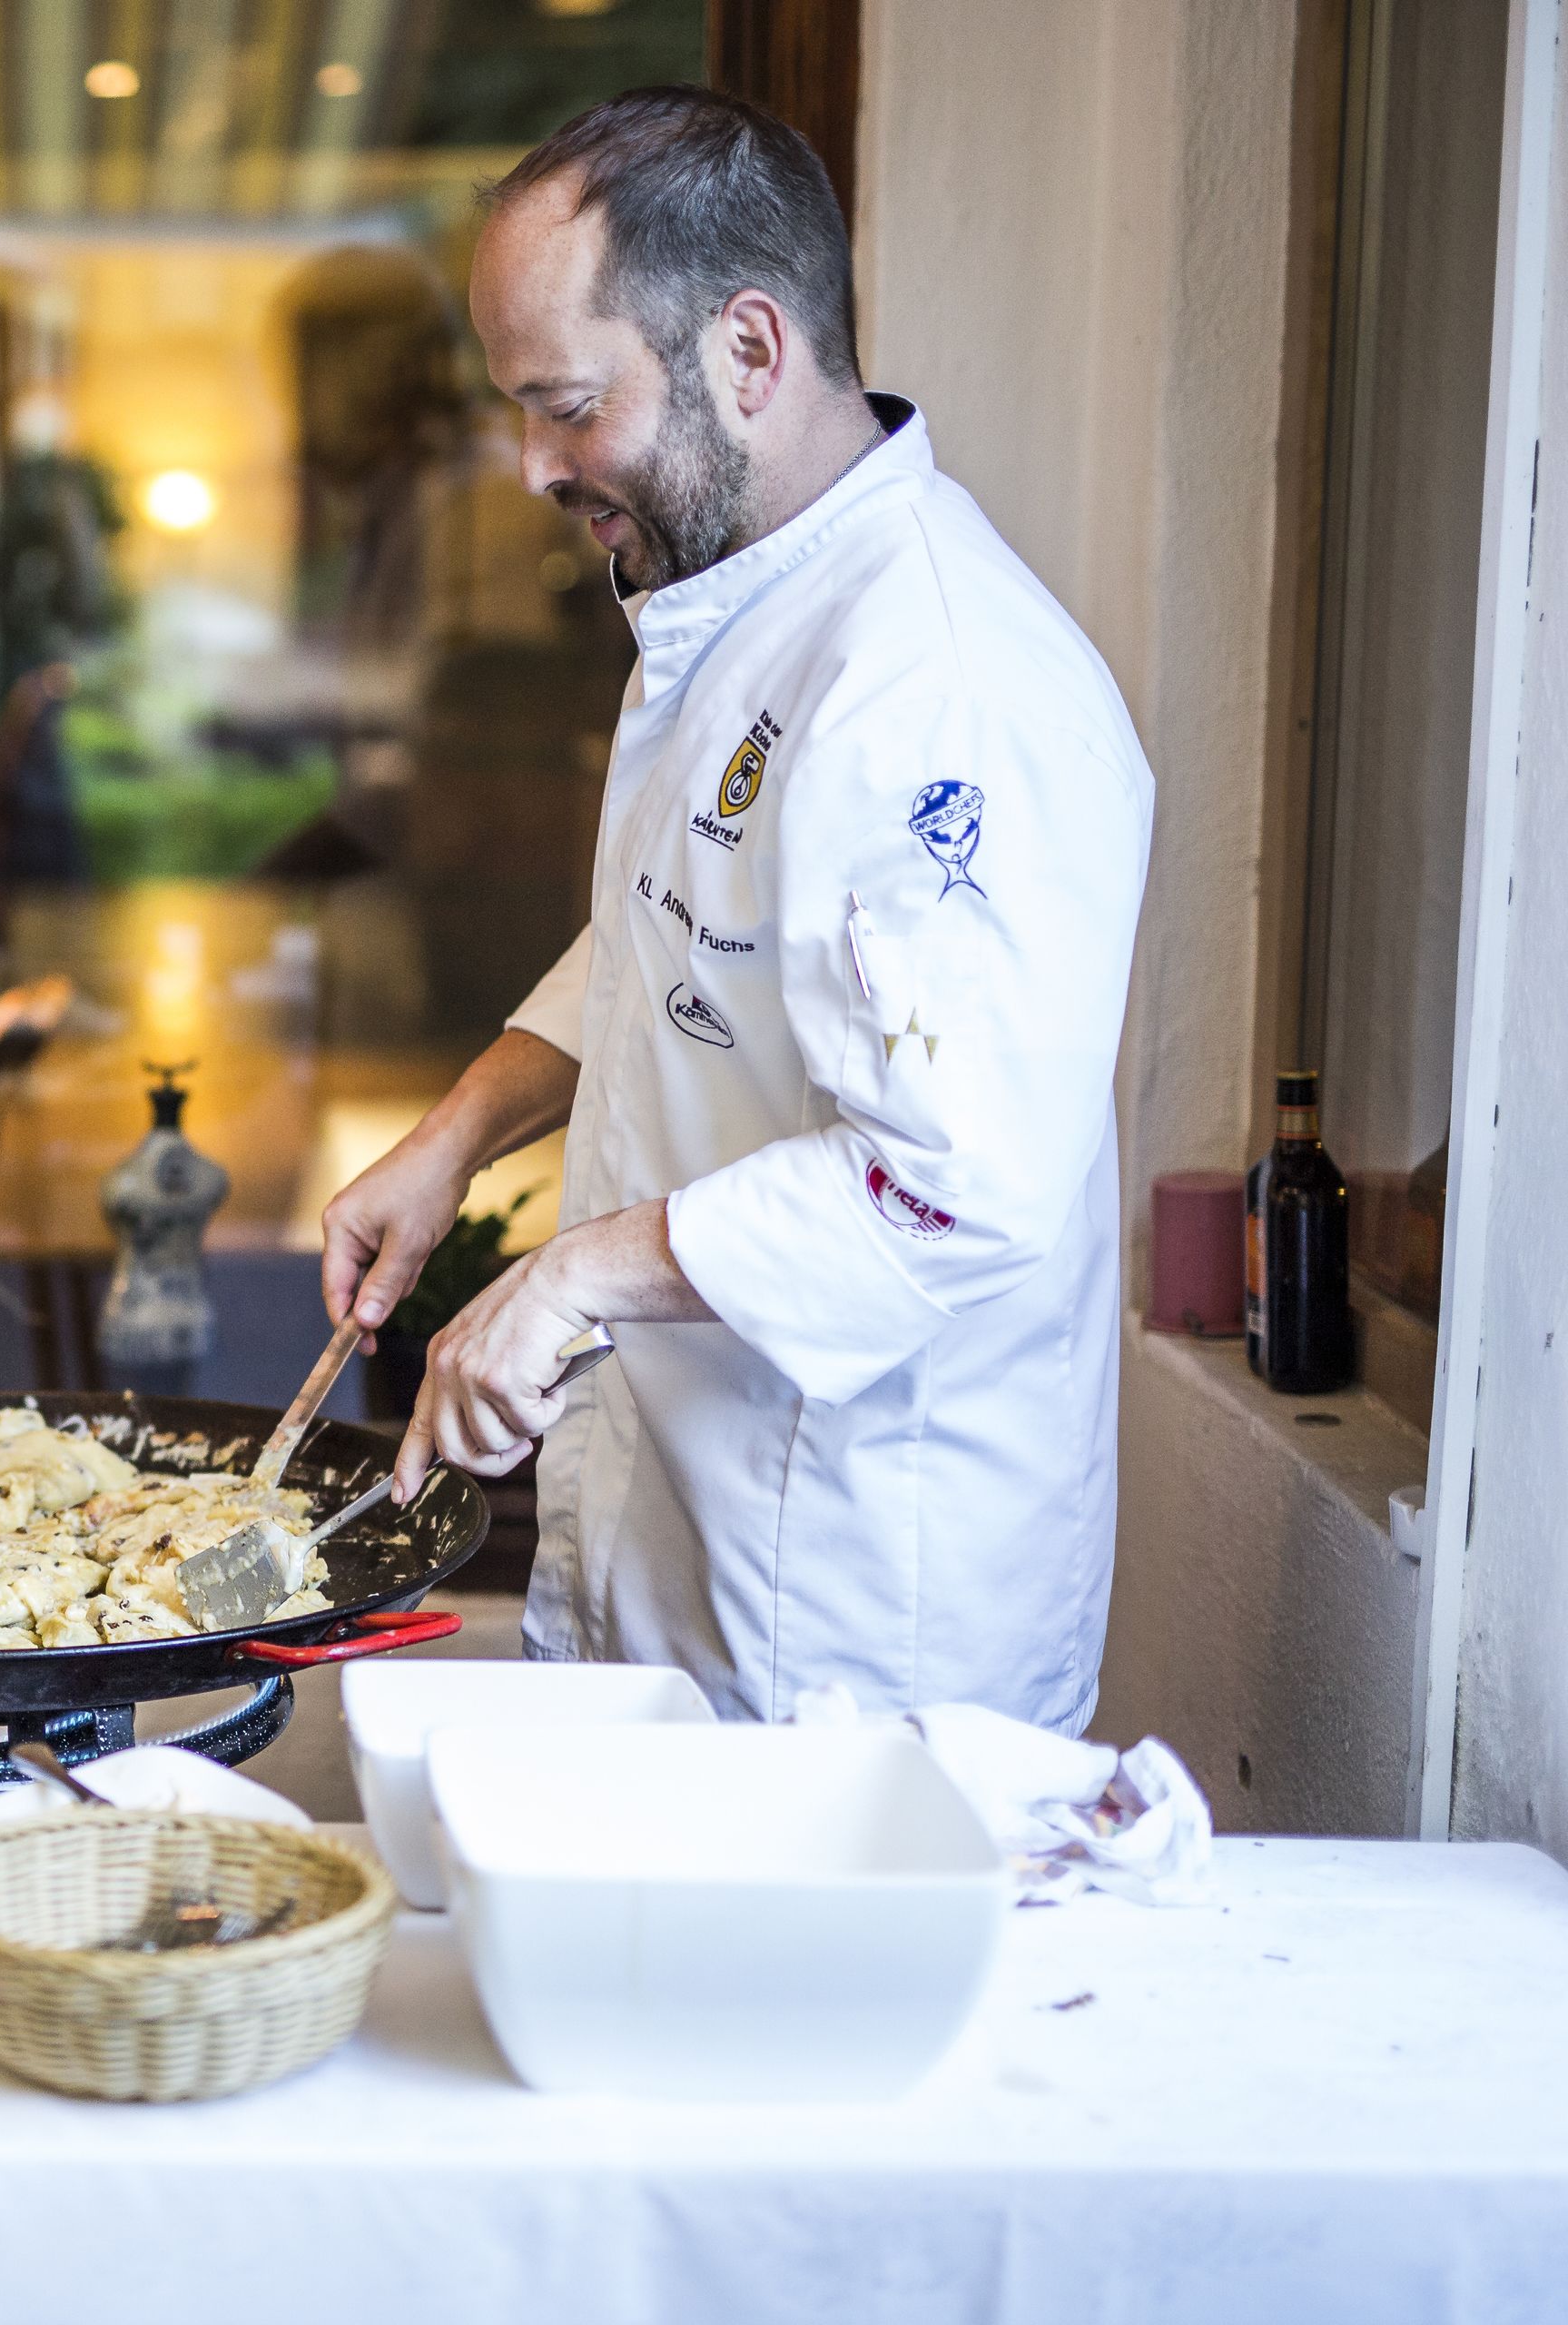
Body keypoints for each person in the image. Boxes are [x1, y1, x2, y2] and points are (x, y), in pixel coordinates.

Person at [320, 89, 1153, 1733]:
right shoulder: (739, 596)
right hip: (689, 1528)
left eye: (567, 406)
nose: (534, 467)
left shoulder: (943, 692)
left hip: (852, 1611)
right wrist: (459, 1135)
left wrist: (568, 1280)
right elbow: (680, 927)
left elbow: (949, 1184)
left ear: (750, 351)